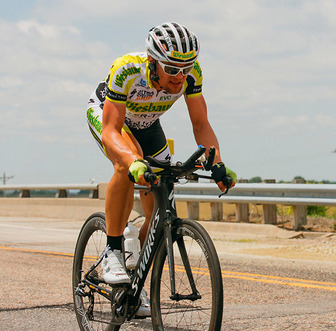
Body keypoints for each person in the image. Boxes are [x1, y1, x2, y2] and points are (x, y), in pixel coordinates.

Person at [86, 22, 236, 315]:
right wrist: (133, 162)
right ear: (153, 63)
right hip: (110, 118)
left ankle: (134, 279)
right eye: (171, 69)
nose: (180, 77)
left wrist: (216, 163)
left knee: (159, 207)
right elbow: (112, 130)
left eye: (186, 68)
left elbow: (201, 124)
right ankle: (114, 251)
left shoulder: (191, 74)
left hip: (148, 125)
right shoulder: (128, 69)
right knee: (127, 164)